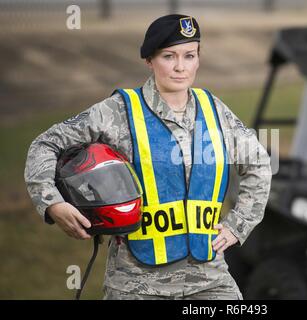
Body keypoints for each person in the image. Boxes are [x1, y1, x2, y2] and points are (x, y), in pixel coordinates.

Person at [24, 14, 272, 300]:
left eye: (189, 56)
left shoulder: (215, 111)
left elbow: (259, 163)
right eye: (169, 56)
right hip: (136, 284)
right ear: (149, 60)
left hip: (209, 280)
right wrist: (51, 203)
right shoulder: (118, 111)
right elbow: (46, 144)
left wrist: (237, 225)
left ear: (198, 59)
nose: (180, 67)